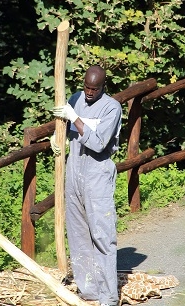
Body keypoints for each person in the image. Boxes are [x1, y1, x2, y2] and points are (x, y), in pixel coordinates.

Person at [49, 65, 122, 306]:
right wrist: (55, 139)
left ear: (103, 87)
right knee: (78, 234)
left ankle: (108, 296)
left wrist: (74, 118)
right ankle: (88, 289)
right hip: (74, 173)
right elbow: (69, 133)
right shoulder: (75, 99)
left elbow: (99, 143)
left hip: (97, 175)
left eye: (95, 89)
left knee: (101, 234)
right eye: (87, 87)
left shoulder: (112, 107)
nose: (89, 92)